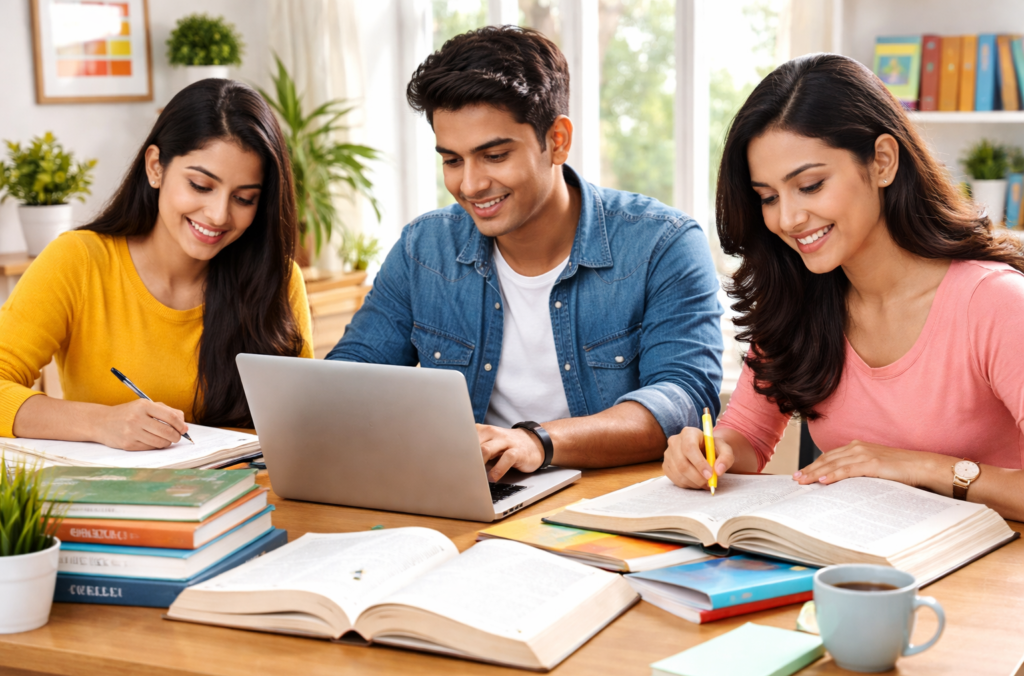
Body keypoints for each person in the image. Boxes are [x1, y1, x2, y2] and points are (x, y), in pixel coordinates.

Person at [328, 26, 723, 481]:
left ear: (557, 140)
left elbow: (684, 399)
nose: (470, 185)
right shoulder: (424, 248)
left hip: (608, 508)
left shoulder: (663, 244)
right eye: (452, 160)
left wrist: (538, 441)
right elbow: (349, 379)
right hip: (477, 498)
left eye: (494, 156)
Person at [663, 53, 1024, 521]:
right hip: (856, 570)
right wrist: (706, 453)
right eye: (768, 197)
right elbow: (747, 436)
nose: (788, 219)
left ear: (882, 162)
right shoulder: (798, 300)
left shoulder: (995, 304)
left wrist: (917, 467)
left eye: (810, 185)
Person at [0, 79, 313, 450]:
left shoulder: (277, 279)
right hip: (118, 499)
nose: (218, 215)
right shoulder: (79, 261)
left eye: (244, 199)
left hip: (247, 498)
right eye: (200, 185)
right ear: (156, 167)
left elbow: (304, 420)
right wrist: (100, 422)